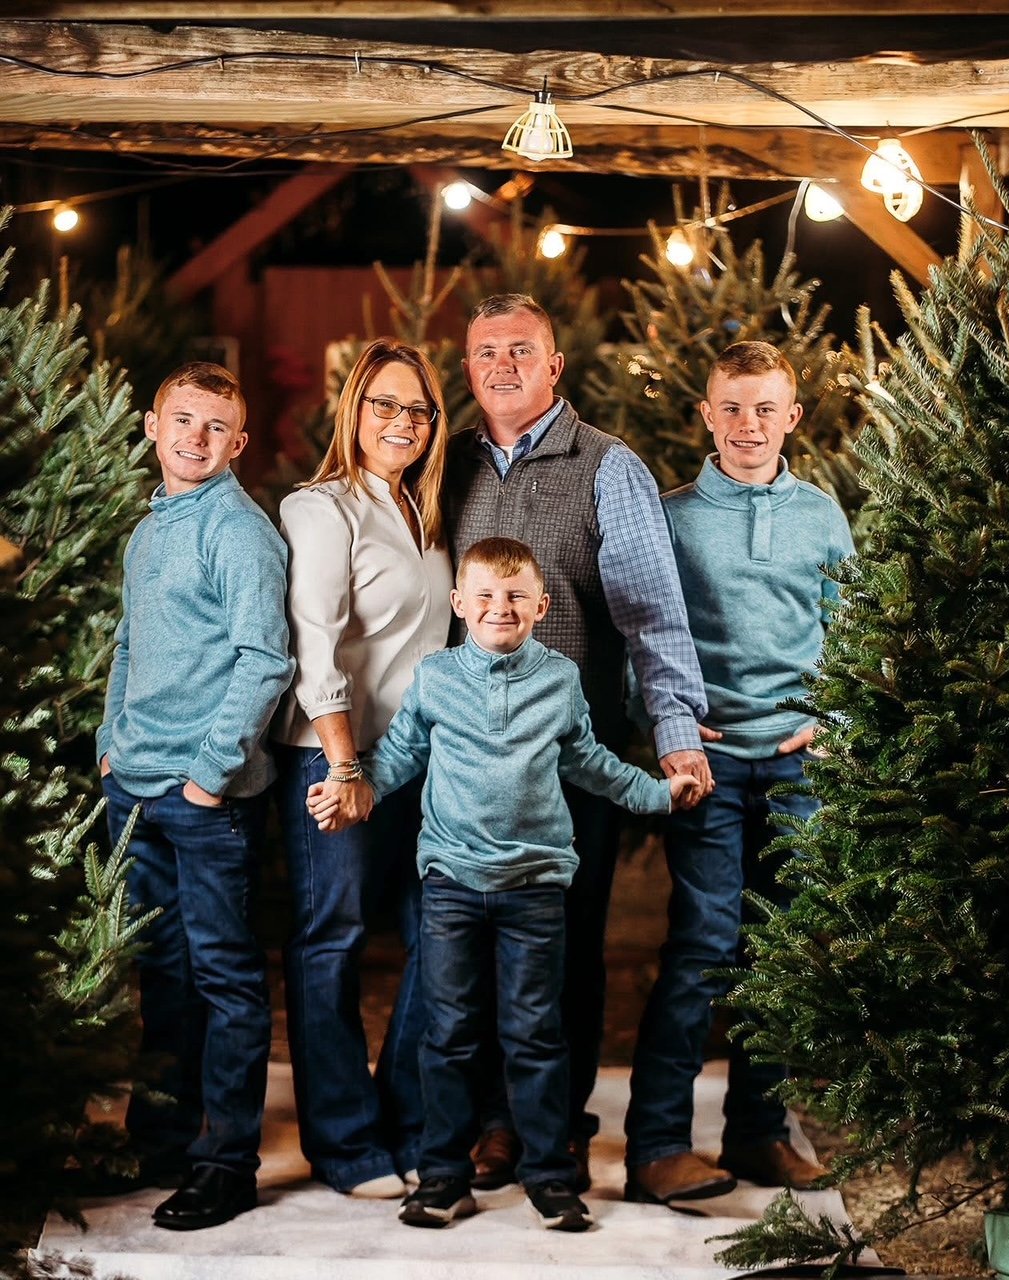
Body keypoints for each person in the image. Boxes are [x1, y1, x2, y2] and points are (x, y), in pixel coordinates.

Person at [309, 537, 701, 1231]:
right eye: (485, 595)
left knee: (535, 1035)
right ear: (458, 604)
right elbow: (400, 756)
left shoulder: (560, 679)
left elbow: (590, 762)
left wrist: (655, 793)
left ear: (541, 607)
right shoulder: (436, 677)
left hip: (534, 889)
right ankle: (442, 1176)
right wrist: (357, 790)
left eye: (517, 596)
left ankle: (548, 1178)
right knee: (450, 1035)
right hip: (451, 887)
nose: (501, 607)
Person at [443, 293, 710, 1189]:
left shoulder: (607, 466)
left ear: (554, 366)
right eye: (487, 352)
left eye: (522, 350)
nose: (503, 365)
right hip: (465, 757)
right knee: (472, 941)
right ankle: (492, 1124)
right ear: (469, 368)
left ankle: (552, 1125)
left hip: (569, 756)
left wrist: (674, 731)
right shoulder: (449, 466)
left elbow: (651, 616)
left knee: (562, 941)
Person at [623, 340, 856, 1208]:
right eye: (731, 407)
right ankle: (656, 1144)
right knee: (704, 945)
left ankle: (758, 1133)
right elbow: (641, 631)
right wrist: (669, 723)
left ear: (792, 417)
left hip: (798, 765)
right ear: (706, 415)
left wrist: (832, 717)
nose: (747, 424)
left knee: (781, 948)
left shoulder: (822, 516)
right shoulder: (672, 517)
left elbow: (851, 630)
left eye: (764, 408)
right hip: (709, 763)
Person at [96, 362, 294, 1230]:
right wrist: (110, 744)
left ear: (238, 443)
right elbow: (129, 642)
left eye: (216, 427)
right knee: (163, 976)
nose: (196, 438)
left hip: (205, 799)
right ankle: (161, 1142)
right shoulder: (152, 528)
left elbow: (265, 659)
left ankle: (225, 1165)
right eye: (182, 419)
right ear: (152, 425)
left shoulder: (238, 532)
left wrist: (211, 773)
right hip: (136, 788)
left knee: (224, 979)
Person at [271, 339, 452, 1199]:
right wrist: (346, 767)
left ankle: (408, 1119)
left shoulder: (425, 512)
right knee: (332, 939)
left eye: (418, 409)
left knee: (438, 936)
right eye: (385, 403)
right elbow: (314, 645)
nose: (402, 421)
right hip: (334, 754)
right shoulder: (321, 508)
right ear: (353, 410)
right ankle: (344, 1143)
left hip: (419, 762)